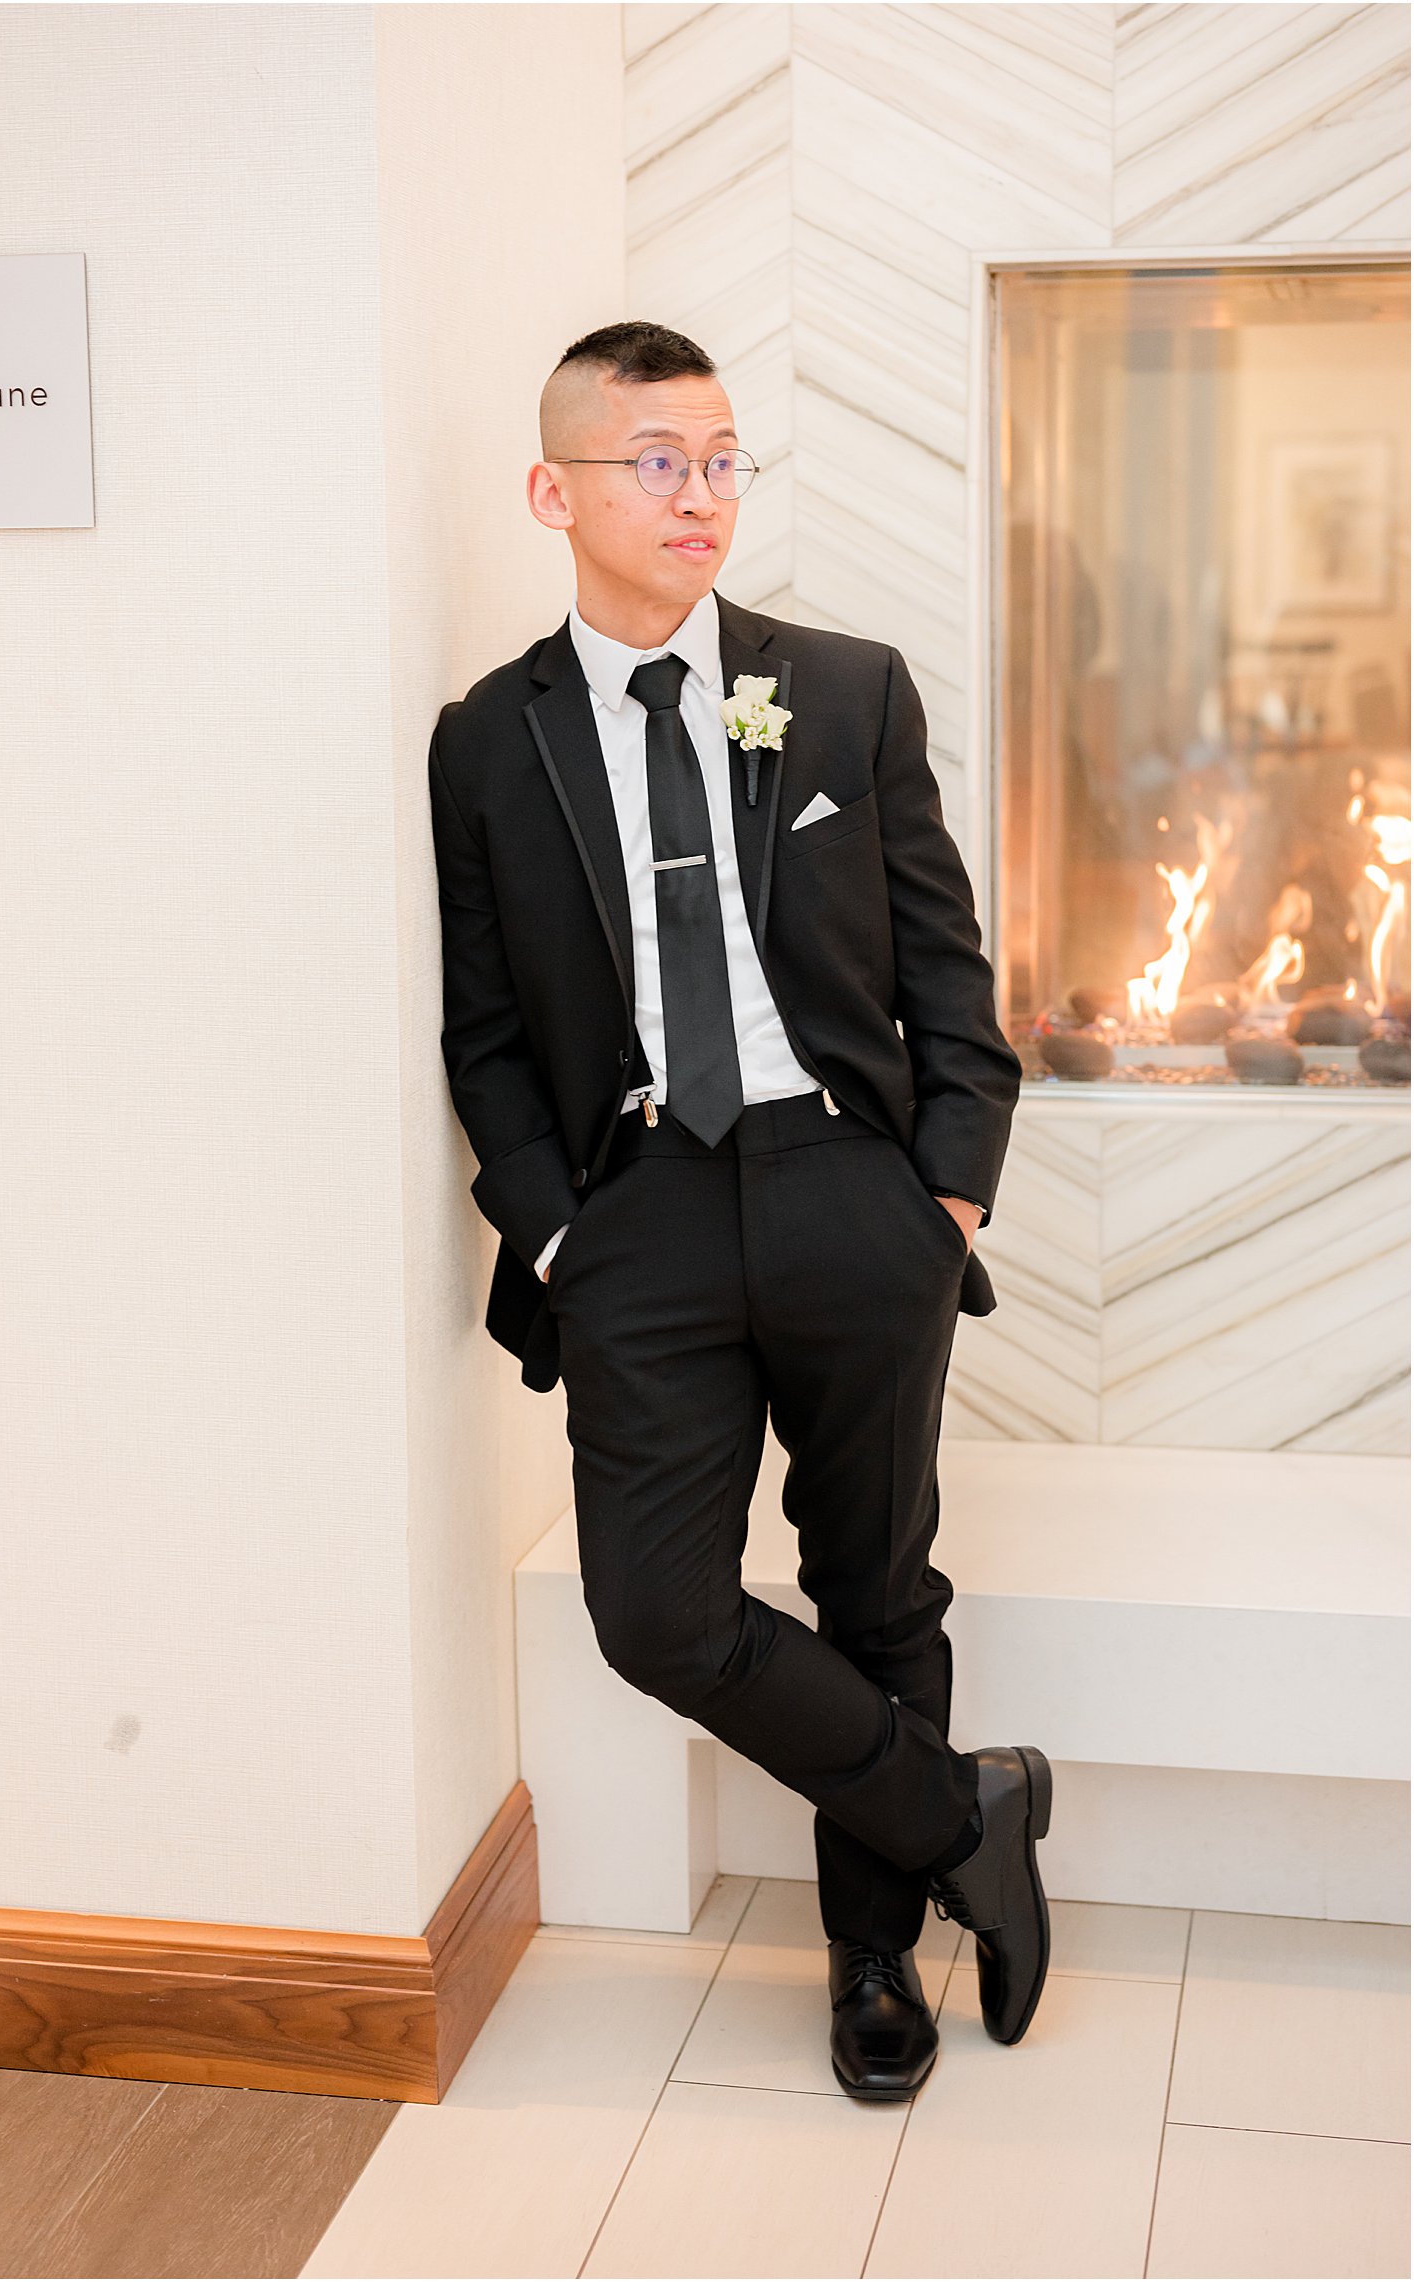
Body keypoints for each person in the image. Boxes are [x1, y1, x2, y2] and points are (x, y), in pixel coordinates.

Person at [428, 319, 1052, 2100]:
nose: (700, 495)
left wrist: (947, 1191)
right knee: (656, 1611)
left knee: (873, 1580)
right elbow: (482, 1028)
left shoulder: (842, 686)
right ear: (557, 489)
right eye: (657, 462)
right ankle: (965, 1815)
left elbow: (946, 959)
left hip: (855, 1188)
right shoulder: (491, 740)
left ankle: (873, 1955)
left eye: (720, 458)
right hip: (638, 1213)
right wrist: (556, 1228)